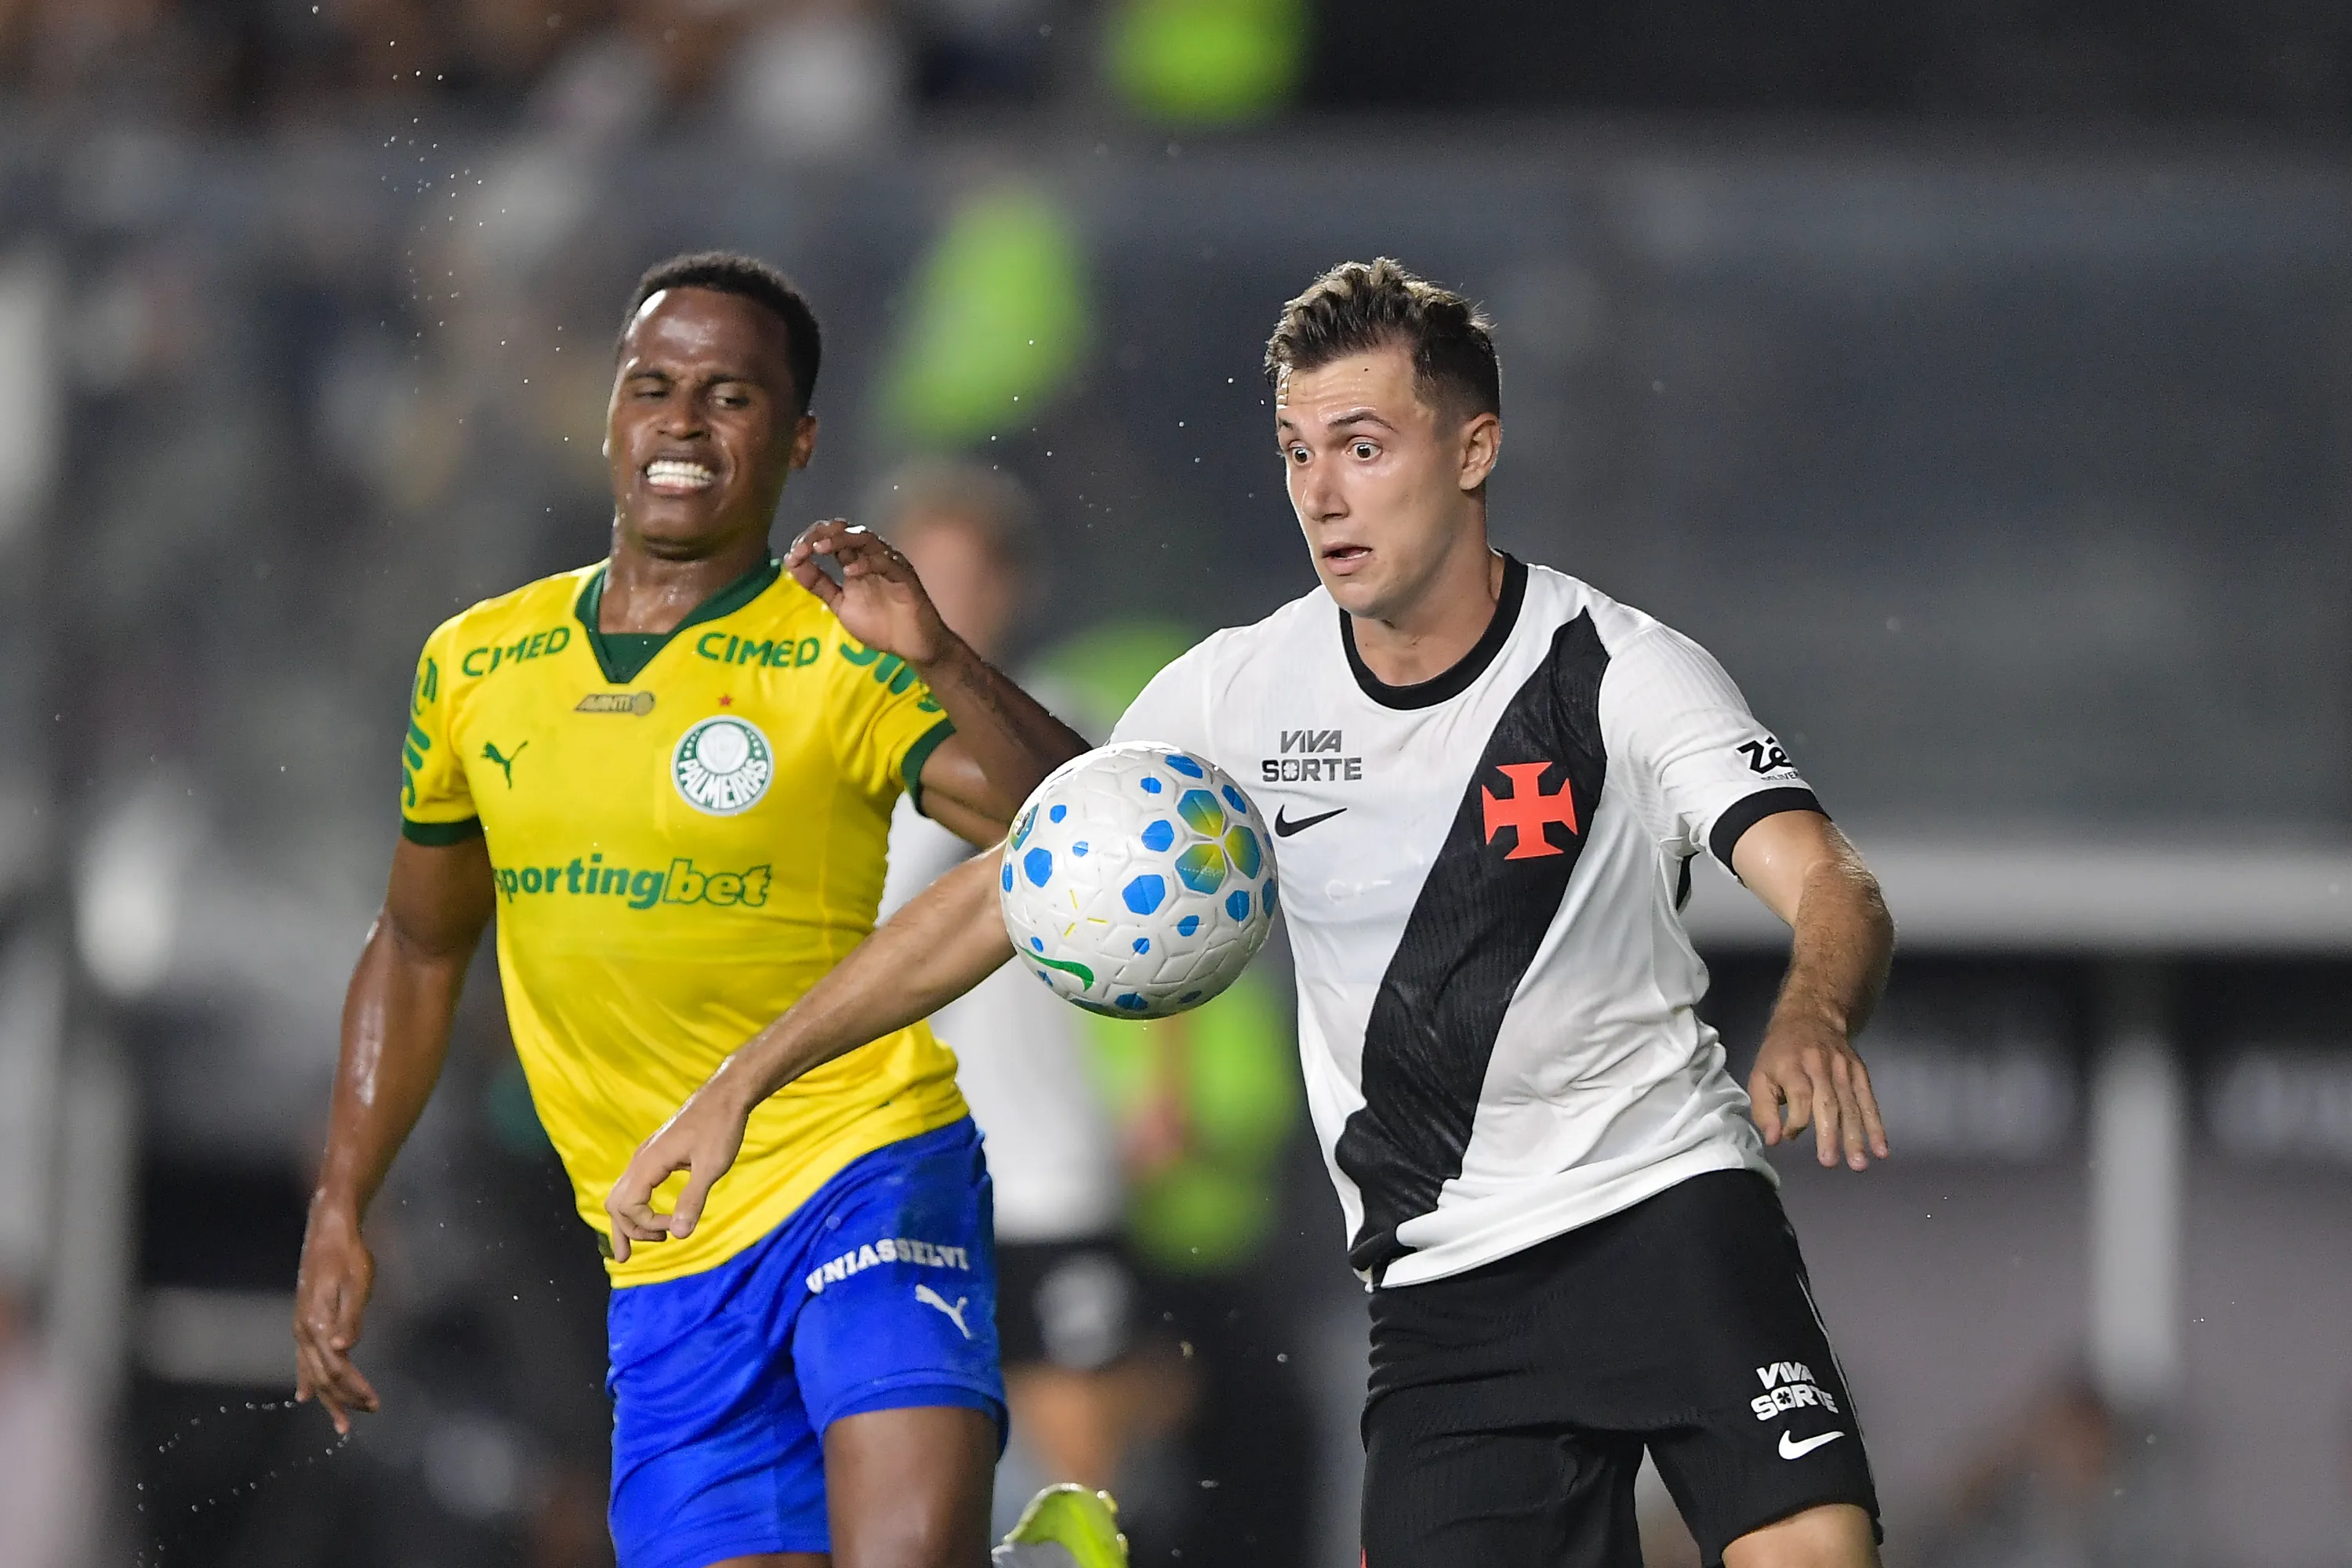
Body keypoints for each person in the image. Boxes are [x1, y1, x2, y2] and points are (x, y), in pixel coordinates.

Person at [608, 257, 1898, 1568]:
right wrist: (742, 1082)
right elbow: (1052, 861)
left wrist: (1811, 1010)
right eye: (1295, 453)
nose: (1323, 494)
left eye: (1362, 444)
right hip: (1443, 1291)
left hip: (1662, 1212)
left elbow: (1828, 878)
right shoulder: (1240, 691)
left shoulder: (1618, 668)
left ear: (1473, 449)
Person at [291, 249, 1126, 1568]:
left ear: (797, 442)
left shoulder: (841, 651)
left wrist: (943, 656)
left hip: (865, 1170)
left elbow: (1089, 836)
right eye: (654, 386)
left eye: (732, 396)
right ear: (615, 417)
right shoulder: (476, 664)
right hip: (663, 1250)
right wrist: (345, 1199)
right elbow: (417, 941)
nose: (683, 420)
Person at [867, 461, 1167, 1511]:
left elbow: (1171, 909)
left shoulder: (1064, 727)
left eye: (966, 576)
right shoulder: (843, 745)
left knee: (1082, 1460)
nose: (945, 602)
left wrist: (1160, 1085)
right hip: (895, 1162)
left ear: (1012, 590)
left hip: (1048, 1159)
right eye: (924, 575)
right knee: (908, 1454)